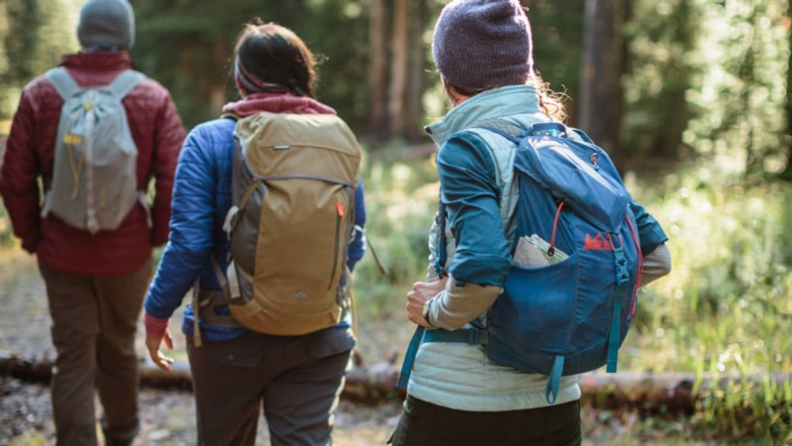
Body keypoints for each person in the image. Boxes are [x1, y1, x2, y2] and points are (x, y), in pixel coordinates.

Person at [391, 1, 672, 445]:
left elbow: (482, 271)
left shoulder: (468, 149)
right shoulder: (576, 147)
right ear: (524, 66)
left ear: (449, 74)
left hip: (458, 398)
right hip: (555, 399)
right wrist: (553, 303)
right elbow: (654, 257)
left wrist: (433, 310)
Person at [143, 22, 367, 446]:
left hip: (228, 335)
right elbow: (352, 242)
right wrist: (303, 290)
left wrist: (157, 315)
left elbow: (188, 245)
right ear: (304, 76)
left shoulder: (208, 141)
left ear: (242, 78)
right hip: (320, 335)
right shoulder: (336, 141)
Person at [0, 0, 186, 444]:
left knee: (72, 356)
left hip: (61, 251)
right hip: (127, 253)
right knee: (120, 349)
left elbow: (14, 177)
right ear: (126, 35)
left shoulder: (40, 93)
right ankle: (122, 434)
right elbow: (174, 178)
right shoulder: (151, 95)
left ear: (83, 34)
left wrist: (32, 236)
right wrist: (154, 235)